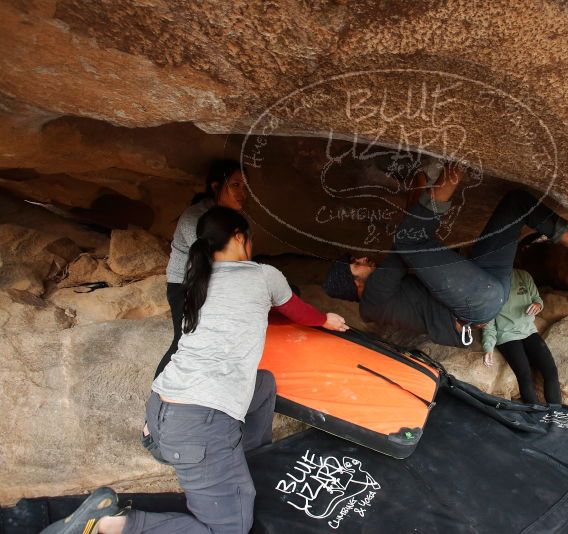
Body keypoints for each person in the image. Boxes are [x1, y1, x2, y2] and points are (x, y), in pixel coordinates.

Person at [43, 207, 348, 534]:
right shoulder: (264, 275)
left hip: (160, 411)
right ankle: (111, 526)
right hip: (200, 428)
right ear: (239, 237)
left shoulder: (197, 281)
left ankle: (236, 460)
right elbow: (297, 310)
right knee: (229, 531)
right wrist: (325, 318)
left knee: (263, 385)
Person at [323, 161, 568, 347]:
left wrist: (418, 191)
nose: (362, 259)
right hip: (479, 302)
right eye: (354, 264)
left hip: (486, 285)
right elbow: (404, 247)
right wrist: (425, 190)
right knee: (408, 240)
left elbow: (412, 242)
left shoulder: (381, 294)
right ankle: (452, 170)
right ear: (353, 285)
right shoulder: (371, 302)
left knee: (516, 204)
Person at [155, 160, 249, 379]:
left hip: (214, 285)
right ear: (216, 187)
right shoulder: (195, 217)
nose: (243, 192)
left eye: (245, 187)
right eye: (236, 185)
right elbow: (217, 260)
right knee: (184, 341)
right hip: (185, 286)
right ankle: (157, 400)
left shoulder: (234, 219)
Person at [482, 268, 561, 405]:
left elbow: (537, 299)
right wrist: (488, 347)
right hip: (507, 335)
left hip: (528, 331)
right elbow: (489, 325)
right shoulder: (489, 284)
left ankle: (556, 413)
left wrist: (537, 305)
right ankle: (534, 416)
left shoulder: (522, 275)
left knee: (551, 370)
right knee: (525, 374)